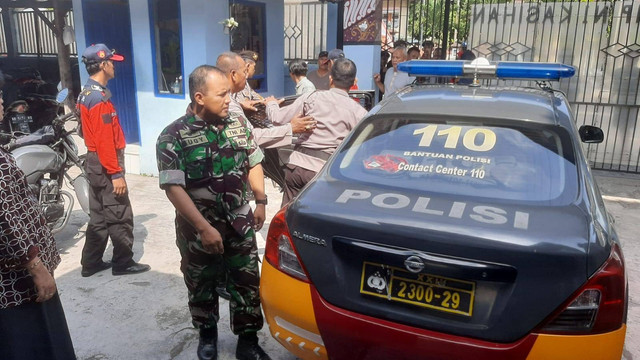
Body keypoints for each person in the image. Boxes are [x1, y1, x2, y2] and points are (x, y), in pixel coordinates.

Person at [156, 65, 271, 360]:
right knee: (201, 283)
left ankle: (248, 341)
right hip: (198, 229)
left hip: (239, 223)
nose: (229, 101)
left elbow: (253, 161)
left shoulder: (238, 124)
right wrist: (203, 228)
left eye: (229, 95)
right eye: (222, 95)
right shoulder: (172, 137)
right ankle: (207, 335)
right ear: (199, 97)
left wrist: (260, 202)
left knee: (246, 282)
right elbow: (173, 188)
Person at [0, 70, 76, 360]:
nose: (3, 102)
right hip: (18, 283)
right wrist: (36, 266)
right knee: (36, 342)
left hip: (14, 280)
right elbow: (7, 219)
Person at [76, 43, 150, 277]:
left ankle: (91, 263)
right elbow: (105, 140)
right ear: (103, 64)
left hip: (95, 162)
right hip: (106, 163)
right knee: (119, 214)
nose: (115, 66)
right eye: (112, 62)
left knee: (98, 215)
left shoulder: (87, 93)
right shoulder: (98, 99)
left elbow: (84, 130)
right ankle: (123, 262)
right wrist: (116, 173)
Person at [265, 58, 368, 205]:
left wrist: (271, 104)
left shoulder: (312, 98)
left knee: (287, 217)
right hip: (325, 173)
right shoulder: (358, 113)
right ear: (353, 82)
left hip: (297, 168)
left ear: (330, 78)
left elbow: (278, 118)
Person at [216, 52, 315, 148]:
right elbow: (250, 137)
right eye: (244, 72)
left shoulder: (225, 99)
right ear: (233, 75)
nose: (245, 76)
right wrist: (291, 128)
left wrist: (242, 106)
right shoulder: (229, 105)